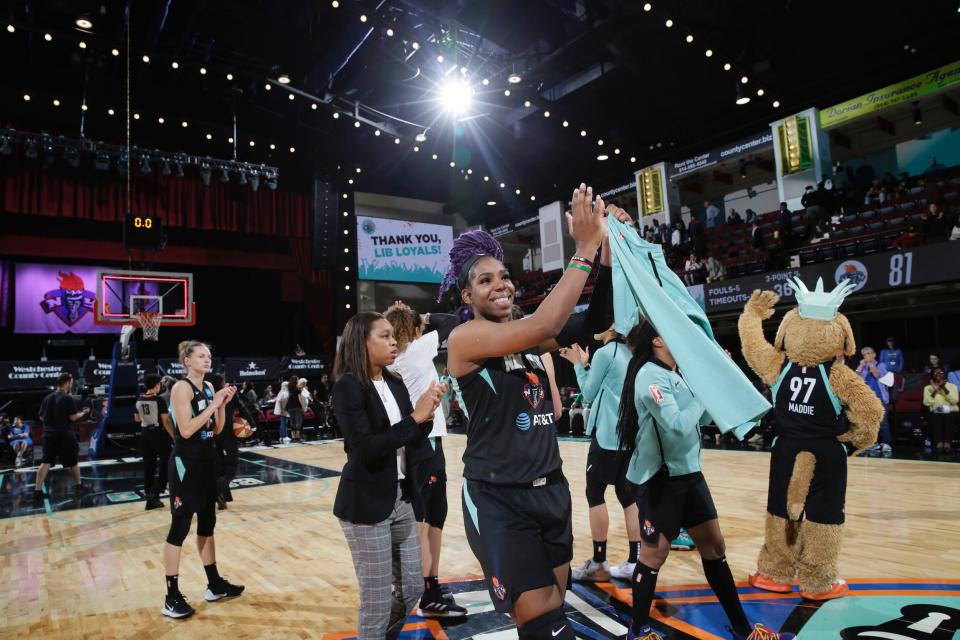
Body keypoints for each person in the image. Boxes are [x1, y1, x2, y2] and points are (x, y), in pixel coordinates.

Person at [440, 184, 610, 639]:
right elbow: (548, 322)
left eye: (504, 276)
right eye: (485, 280)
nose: (501, 285)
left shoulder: (526, 336)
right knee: (547, 628)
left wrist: (608, 252)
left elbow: (594, 325)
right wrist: (586, 247)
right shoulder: (466, 339)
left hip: (551, 492)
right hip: (499, 500)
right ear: (467, 298)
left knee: (553, 614)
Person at [616, 320, 791, 640]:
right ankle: (637, 632)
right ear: (657, 339)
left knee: (714, 548)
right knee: (653, 556)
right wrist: (702, 388)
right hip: (659, 482)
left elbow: (706, 417)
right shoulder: (650, 376)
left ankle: (742, 630)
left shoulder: (674, 374)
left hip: (689, 476)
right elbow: (677, 425)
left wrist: (716, 380)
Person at [332, 312, 444, 639]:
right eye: (384, 336)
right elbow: (365, 448)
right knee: (376, 599)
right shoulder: (348, 387)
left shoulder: (395, 381)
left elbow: (411, 434)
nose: (394, 341)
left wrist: (428, 412)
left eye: (393, 335)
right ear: (361, 343)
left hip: (401, 498)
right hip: (366, 505)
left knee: (411, 589)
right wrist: (415, 418)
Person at [383, 301, 466, 618]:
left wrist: (402, 318)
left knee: (422, 516)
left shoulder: (391, 362)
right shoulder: (416, 350)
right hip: (426, 442)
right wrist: (422, 316)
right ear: (415, 331)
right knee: (432, 518)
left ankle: (419, 585)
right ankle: (426, 591)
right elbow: (454, 320)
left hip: (409, 447)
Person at [162, 341, 244, 619]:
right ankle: (171, 596)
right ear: (186, 360)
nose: (207, 359)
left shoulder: (208, 388)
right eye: (200, 355)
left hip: (207, 461)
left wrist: (222, 404)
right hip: (186, 463)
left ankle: (214, 584)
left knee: (208, 524)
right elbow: (185, 430)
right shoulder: (181, 388)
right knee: (180, 527)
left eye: (209, 355)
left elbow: (217, 429)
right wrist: (213, 404)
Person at [558, 326, 642, 582]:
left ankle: (599, 562)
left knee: (595, 494)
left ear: (612, 325)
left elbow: (589, 395)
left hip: (607, 435)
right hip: (629, 435)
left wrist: (578, 366)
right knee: (628, 497)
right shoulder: (631, 351)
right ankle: (634, 560)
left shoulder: (606, 353)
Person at [34, 372, 90, 502]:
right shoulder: (67, 398)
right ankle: (79, 486)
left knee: (45, 462)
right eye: (71, 382)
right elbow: (73, 417)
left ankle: (37, 492)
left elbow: (41, 417)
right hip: (64, 434)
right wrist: (84, 412)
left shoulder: (47, 398)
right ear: (66, 383)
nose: (71, 384)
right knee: (73, 462)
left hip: (48, 434)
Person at [135, 373, 174, 511]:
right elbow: (166, 422)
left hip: (144, 435)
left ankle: (150, 498)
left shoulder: (139, 399)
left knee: (148, 466)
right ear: (156, 385)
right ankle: (156, 492)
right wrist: (175, 437)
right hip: (158, 434)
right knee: (168, 462)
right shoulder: (159, 400)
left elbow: (137, 419)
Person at [210, 374, 240, 510]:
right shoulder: (229, 395)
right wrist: (252, 425)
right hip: (227, 433)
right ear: (222, 383)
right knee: (233, 463)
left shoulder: (209, 396)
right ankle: (220, 486)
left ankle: (221, 498)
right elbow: (244, 408)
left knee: (219, 466)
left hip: (213, 435)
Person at [856, 347, 891, 451]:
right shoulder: (863, 367)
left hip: (880, 399)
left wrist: (871, 364)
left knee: (883, 422)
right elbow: (855, 378)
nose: (867, 356)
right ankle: (873, 443)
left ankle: (886, 443)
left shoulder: (881, 365)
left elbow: (877, 375)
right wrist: (861, 365)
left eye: (868, 353)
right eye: (864, 354)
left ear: (874, 354)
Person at [924, 368, 958, 450]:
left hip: (951, 411)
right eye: (936, 373)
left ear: (944, 375)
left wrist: (944, 388)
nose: (938, 374)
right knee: (935, 416)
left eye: (941, 372)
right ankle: (939, 442)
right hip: (935, 411)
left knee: (949, 416)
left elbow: (954, 400)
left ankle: (947, 442)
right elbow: (926, 403)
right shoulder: (927, 388)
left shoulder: (952, 386)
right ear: (932, 376)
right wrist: (935, 391)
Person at [285, 375, 305, 442]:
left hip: (290, 406)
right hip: (297, 406)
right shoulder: (298, 388)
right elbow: (300, 398)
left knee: (292, 422)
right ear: (296, 381)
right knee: (298, 422)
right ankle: (298, 437)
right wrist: (302, 406)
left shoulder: (289, 388)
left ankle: (293, 437)